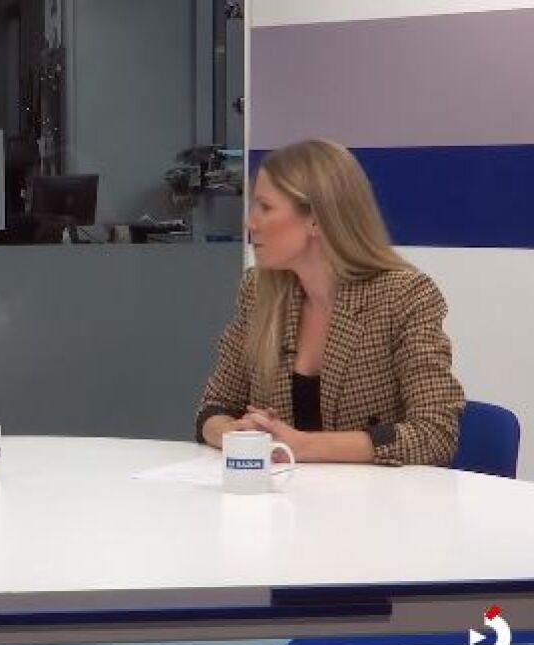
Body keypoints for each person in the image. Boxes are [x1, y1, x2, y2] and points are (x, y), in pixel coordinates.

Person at [196, 139, 464, 465]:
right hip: (280, 492)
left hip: (375, 496)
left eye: (265, 207)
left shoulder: (404, 296)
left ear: (316, 219)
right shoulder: (258, 292)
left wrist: (303, 445)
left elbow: (435, 433)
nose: (250, 223)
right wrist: (238, 433)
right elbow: (214, 408)